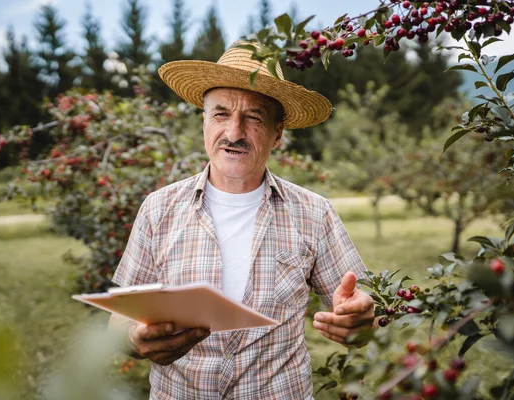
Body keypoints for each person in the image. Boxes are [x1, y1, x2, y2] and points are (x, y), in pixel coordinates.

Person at [109, 42, 375, 399]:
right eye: (221, 114)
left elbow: (360, 305)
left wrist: (361, 321)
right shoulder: (158, 209)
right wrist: (131, 338)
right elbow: (118, 319)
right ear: (204, 122)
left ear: (278, 134)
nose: (234, 132)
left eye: (253, 118)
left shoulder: (314, 213)